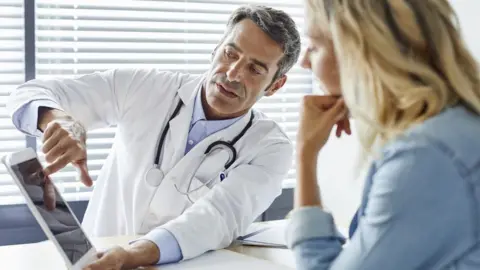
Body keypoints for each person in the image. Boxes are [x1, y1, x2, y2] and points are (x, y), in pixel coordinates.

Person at [7, 5, 301, 269]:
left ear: (275, 85)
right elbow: (29, 93)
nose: (234, 73)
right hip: (95, 261)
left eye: (255, 69)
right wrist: (58, 120)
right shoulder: (145, 87)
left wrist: (135, 254)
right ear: (216, 49)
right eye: (230, 53)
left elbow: (220, 216)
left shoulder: (270, 148)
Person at [287, 0, 480, 269]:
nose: (305, 63)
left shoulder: (426, 156)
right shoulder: (456, 129)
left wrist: (305, 153)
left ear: (363, 52)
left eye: (315, 46)